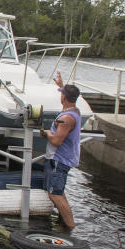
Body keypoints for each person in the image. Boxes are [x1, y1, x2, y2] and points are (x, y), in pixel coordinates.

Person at [39, 72, 81, 229]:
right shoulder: (74, 110)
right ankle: (64, 222)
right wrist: (62, 85)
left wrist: (47, 133)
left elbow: (56, 141)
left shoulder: (67, 118)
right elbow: (70, 97)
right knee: (58, 192)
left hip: (59, 159)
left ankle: (70, 228)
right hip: (60, 159)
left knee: (54, 194)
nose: (60, 96)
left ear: (64, 98)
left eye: (61, 93)